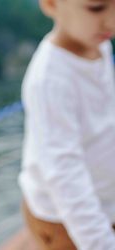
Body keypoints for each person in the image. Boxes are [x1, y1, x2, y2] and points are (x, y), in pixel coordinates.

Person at [19, 0, 115, 249]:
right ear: (51, 4)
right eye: (97, 8)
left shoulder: (98, 44)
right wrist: (100, 243)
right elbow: (64, 173)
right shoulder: (50, 79)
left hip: (102, 203)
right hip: (64, 220)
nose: (113, 21)